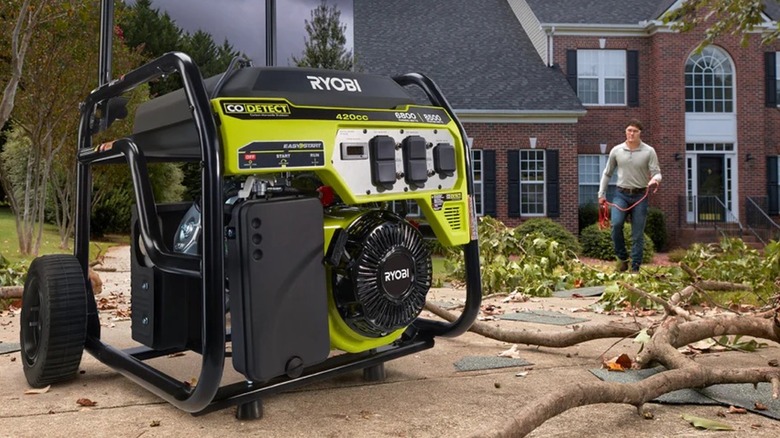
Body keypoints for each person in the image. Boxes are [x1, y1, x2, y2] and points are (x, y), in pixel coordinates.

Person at [598, 120, 661, 272]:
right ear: (626, 132)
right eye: (629, 130)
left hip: (640, 196)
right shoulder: (617, 150)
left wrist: (655, 180)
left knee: (637, 234)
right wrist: (602, 193)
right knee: (616, 225)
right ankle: (623, 259)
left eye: (635, 131)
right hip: (621, 194)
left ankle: (635, 268)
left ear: (640, 133)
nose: (631, 133)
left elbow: (657, 173)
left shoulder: (649, 151)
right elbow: (607, 173)